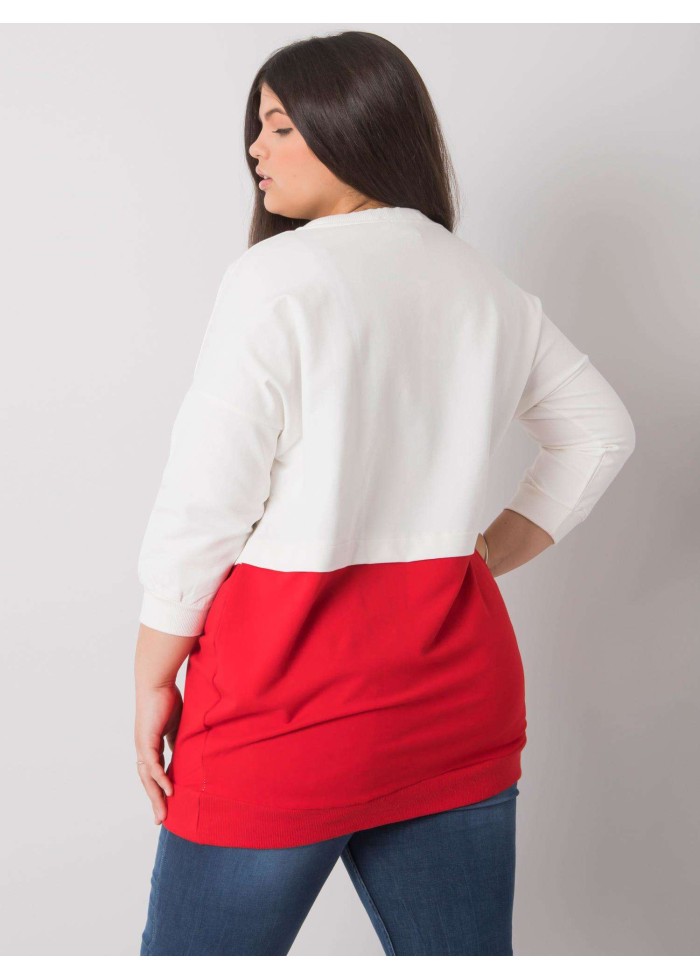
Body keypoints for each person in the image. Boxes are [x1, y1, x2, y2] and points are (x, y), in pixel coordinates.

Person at [134, 31, 636, 956]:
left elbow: (204, 505)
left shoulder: (275, 279)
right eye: (258, 126)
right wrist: (486, 551)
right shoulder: (484, 286)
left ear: (353, 128)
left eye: (280, 126)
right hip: (457, 709)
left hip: (282, 714)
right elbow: (600, 431)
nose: (255, 148)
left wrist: (153, 673)